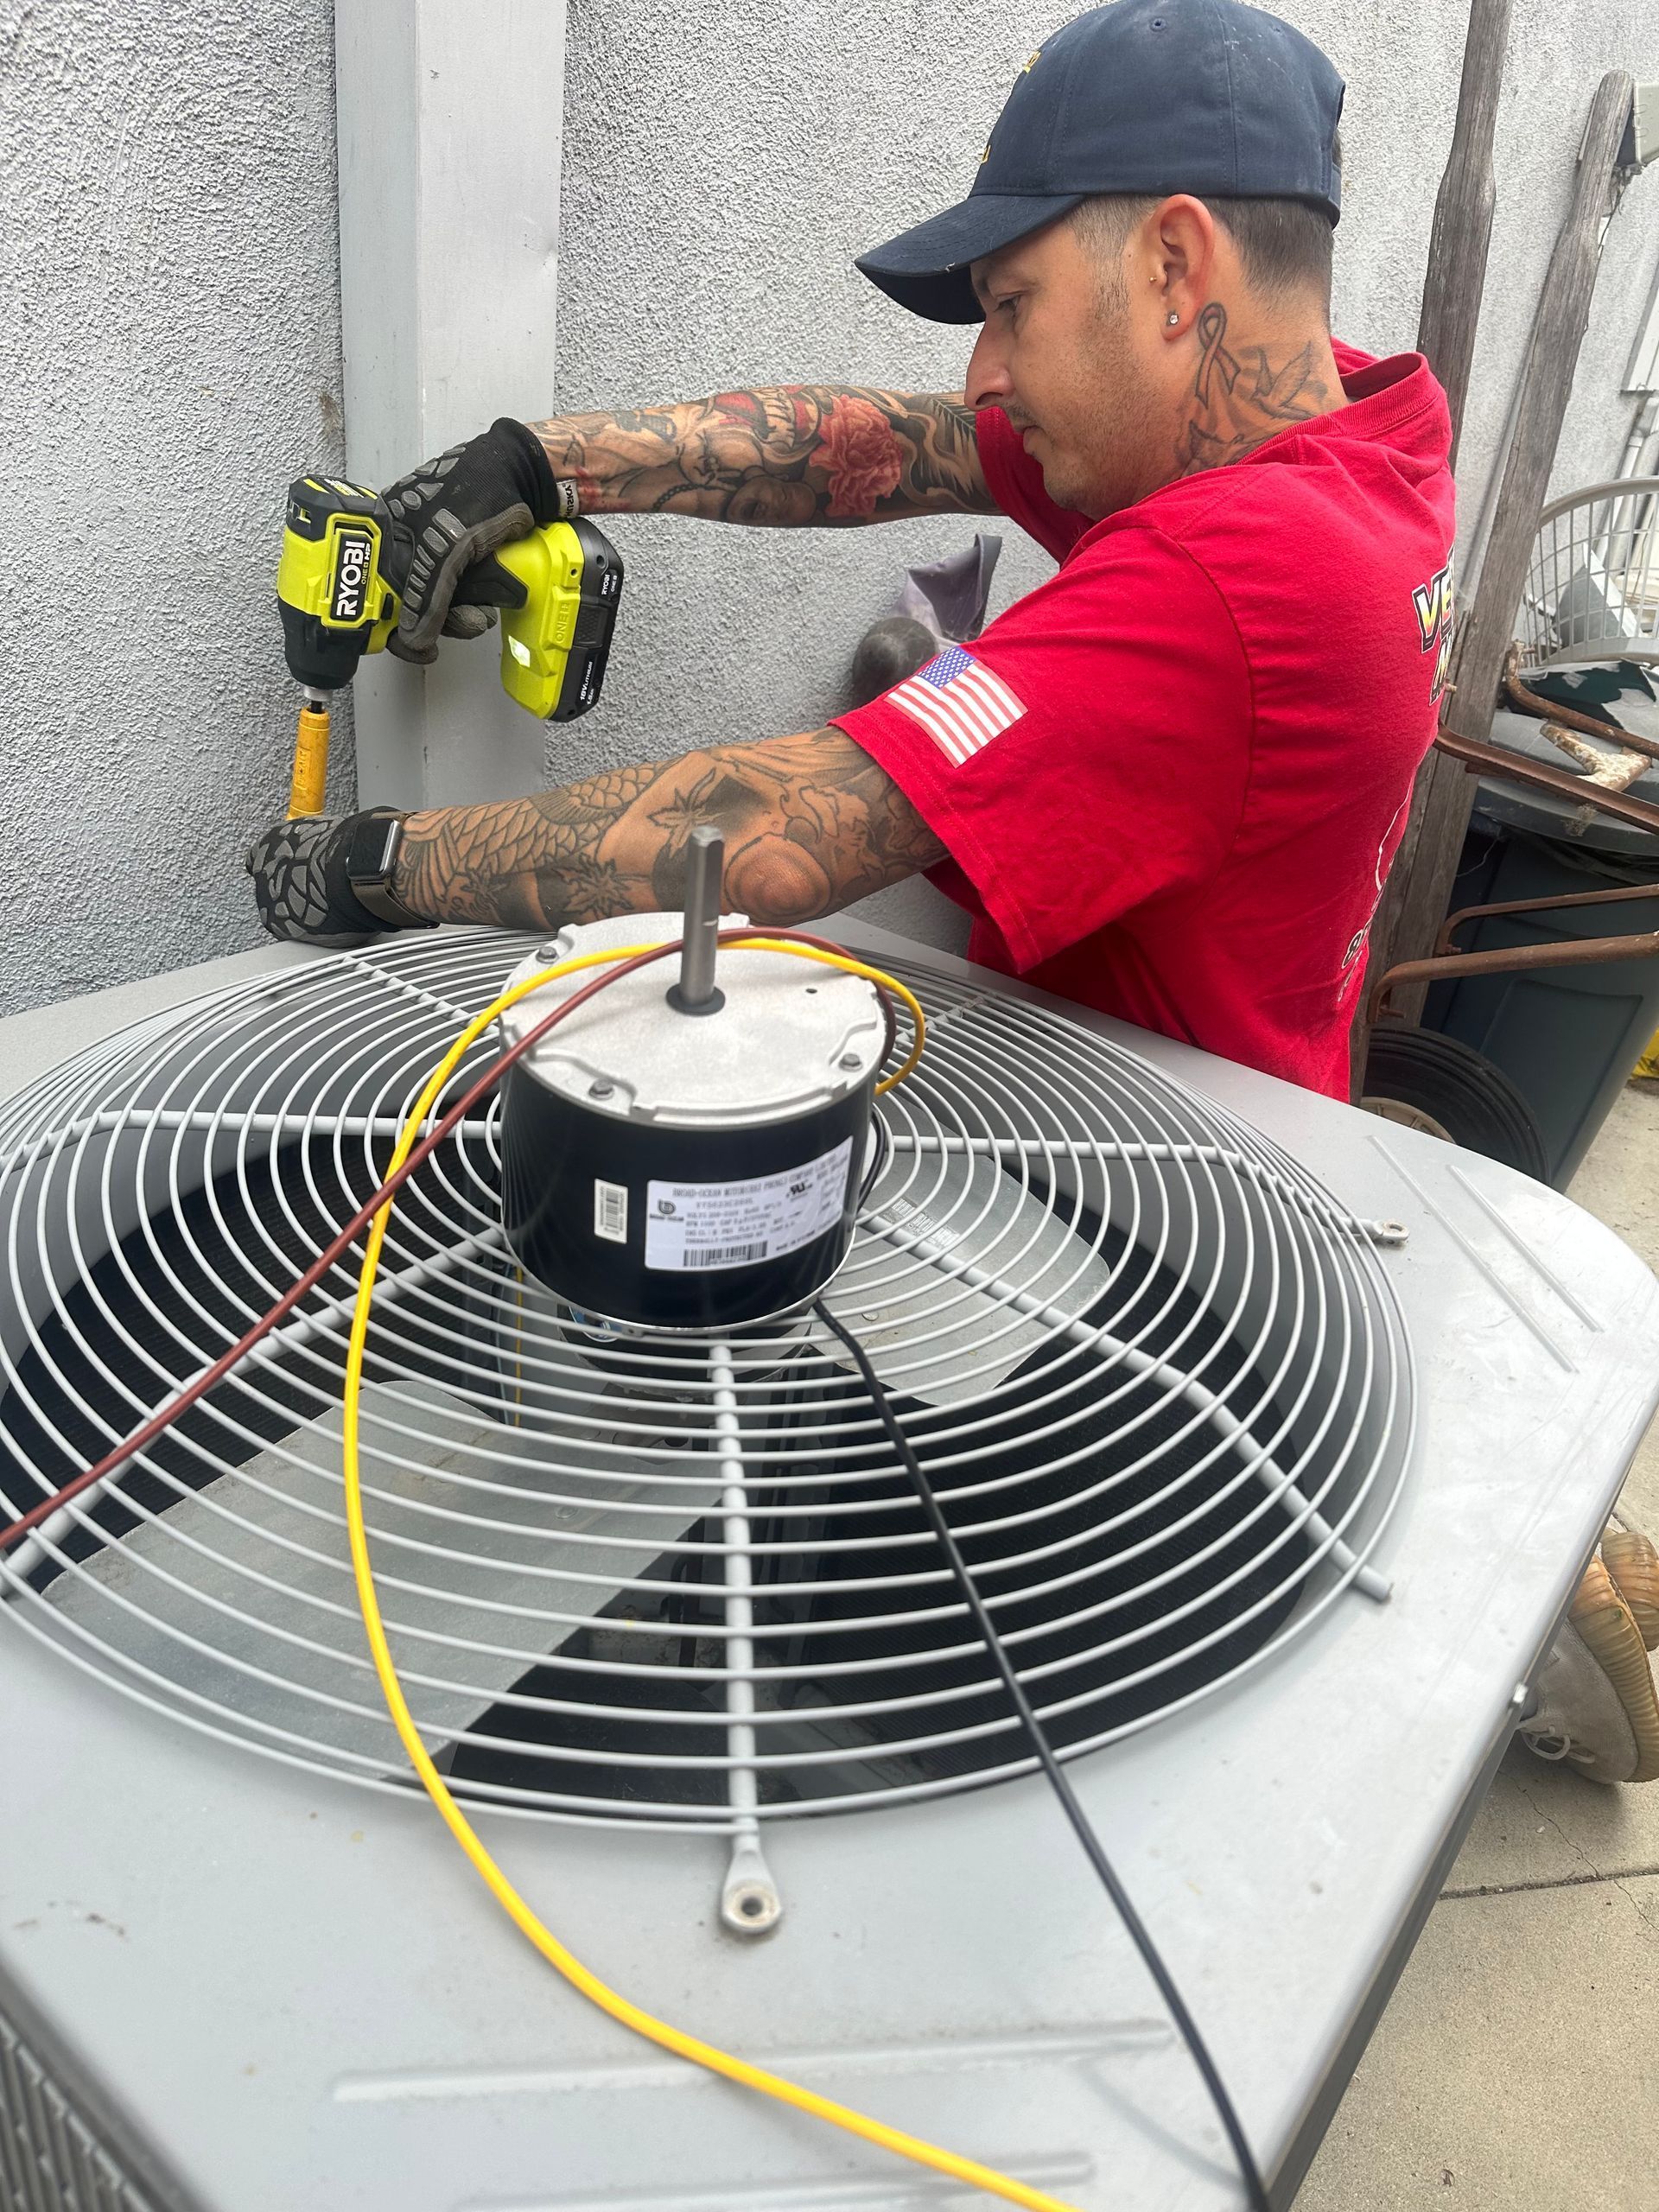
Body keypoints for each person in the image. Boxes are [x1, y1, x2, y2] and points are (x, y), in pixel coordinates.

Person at [245, 0, 1659, 1779]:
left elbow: (774, 836)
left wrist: (375, 865)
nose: (986, 378)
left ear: (1172, 261)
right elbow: (879, 439)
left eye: (1007, 309)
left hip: (1144, 1265)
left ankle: (1510, 1600)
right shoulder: (1352, 437)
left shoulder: (1232, 576)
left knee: (900, 1698)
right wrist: (541, 460)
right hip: (1246, 1110)